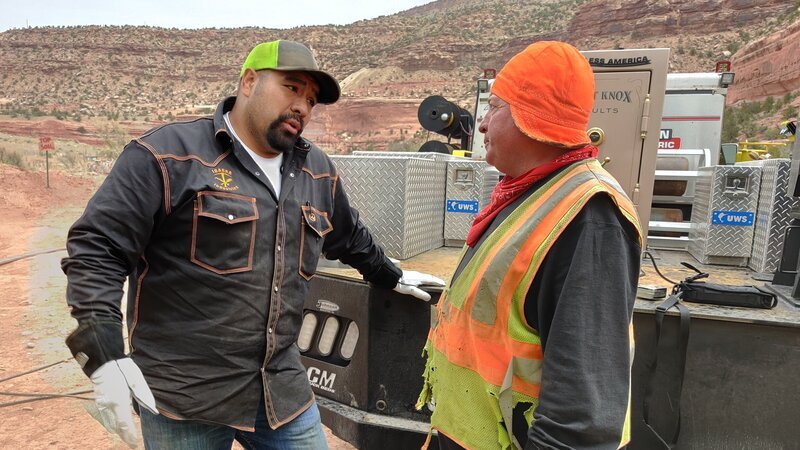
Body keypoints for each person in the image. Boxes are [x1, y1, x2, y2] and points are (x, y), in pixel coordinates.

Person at [62, 39, 443, 449]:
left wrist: (390, 274)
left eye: (312, 100)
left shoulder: (316, 172)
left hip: (281, 391)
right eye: (292, 88)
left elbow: (348, 237)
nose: (302, 106)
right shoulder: (167, 156)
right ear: (248, 82)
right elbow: (97, 248)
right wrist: (103, 352)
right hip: (184, 399)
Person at [416, 41, 642, 449]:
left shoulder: (588, 217)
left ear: (530, 117)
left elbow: (581, 420)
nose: (481, 124)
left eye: (496, 106)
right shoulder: (533, 193)